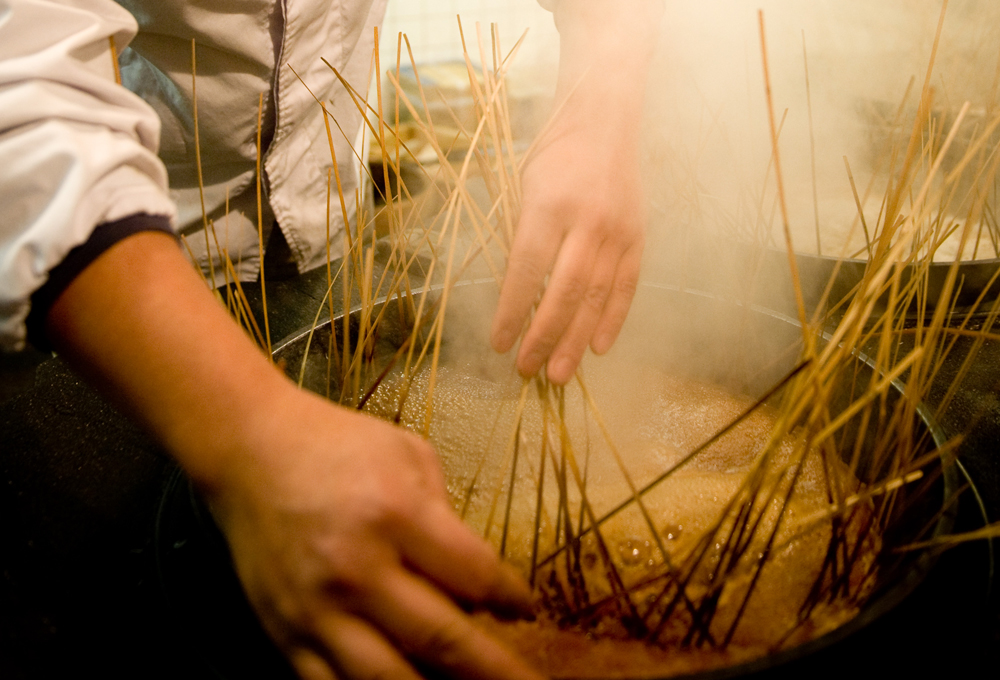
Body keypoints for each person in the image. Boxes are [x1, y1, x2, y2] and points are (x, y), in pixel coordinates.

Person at [0, 0, 663, 678]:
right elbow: (19, 84)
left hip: (328, 241)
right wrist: (252, 433)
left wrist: (601, 96)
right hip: (103, 288)